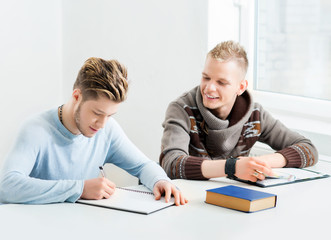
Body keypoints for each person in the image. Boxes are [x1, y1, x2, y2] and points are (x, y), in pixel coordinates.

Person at [0, 57, 187, 206]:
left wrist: (160, 181)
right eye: (97, 113)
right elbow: (8, 186)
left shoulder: (106, 130)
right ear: (76, 96)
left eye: (110, 115)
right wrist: (79, 189)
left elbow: (143, 166)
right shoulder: (35, 130)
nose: (102, 124)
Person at [160, 40, 318, 182]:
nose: (209, 88)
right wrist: (232, 167)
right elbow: (172, 163)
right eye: (206, 78)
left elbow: (308, 149)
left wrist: (259, 164)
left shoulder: (255, 114)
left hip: (232, 197)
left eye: (221, 82)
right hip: (189, 200)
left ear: (241, 87)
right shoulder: (181, 109)